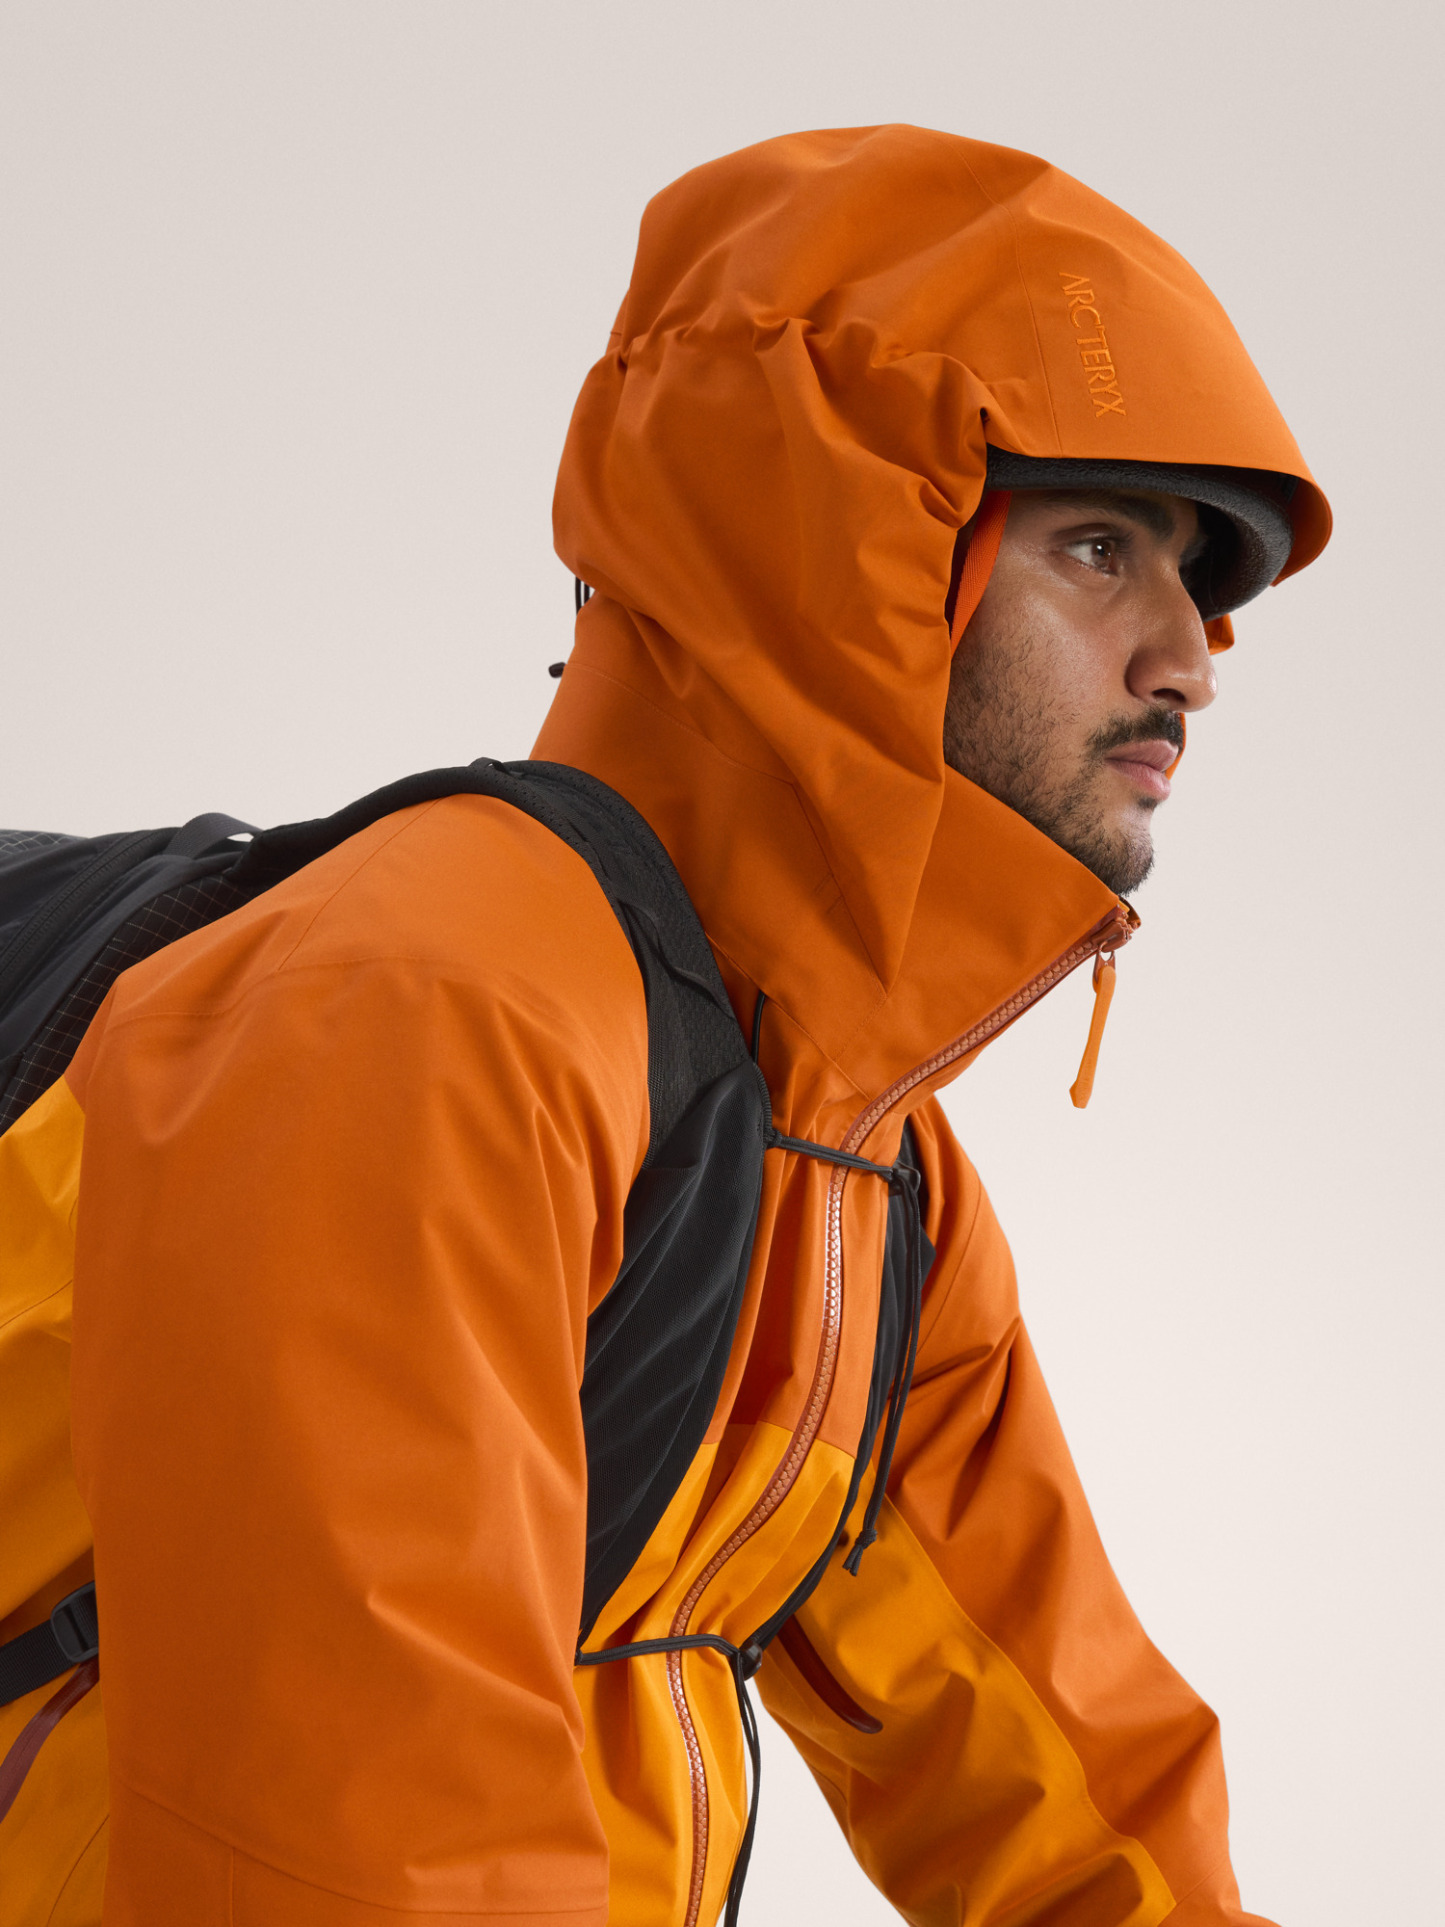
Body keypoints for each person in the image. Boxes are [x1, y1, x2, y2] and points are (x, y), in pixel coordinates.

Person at [3, 126, 1329, 1925]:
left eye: (1199, 582)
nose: (1188, 656)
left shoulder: (863, 1167)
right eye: (1097, 547)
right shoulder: (429, 1012)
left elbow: (1062, 1791)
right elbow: (357, 1848)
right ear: (837, 558)